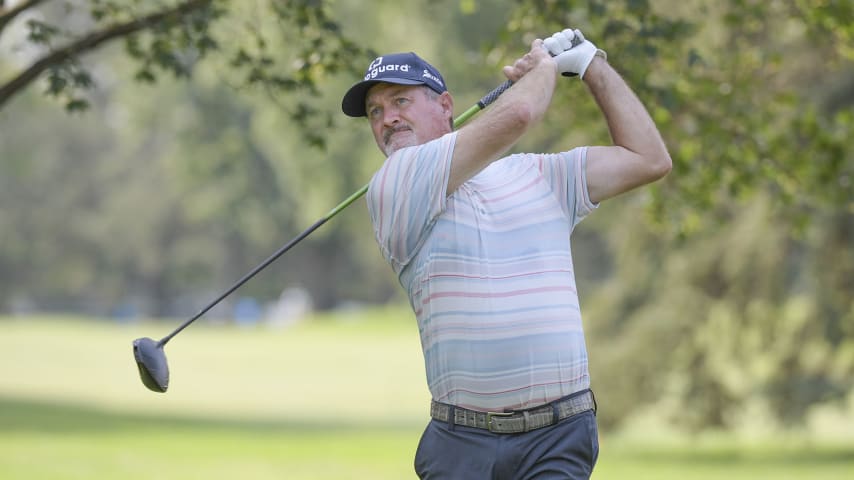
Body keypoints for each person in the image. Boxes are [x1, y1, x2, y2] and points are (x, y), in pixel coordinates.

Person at [341, 27, 671, 479]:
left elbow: (648, 157)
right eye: (375, 111)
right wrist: (545, 66)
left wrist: (593, 63)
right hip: (462, 443)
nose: (387, 119)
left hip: (557, 436)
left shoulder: (537, 174)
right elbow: (518, 113)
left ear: (445, 106)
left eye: (400, 101)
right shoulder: (394, 185)